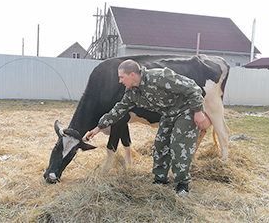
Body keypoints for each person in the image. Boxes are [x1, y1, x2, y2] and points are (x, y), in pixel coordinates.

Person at [86, 59, 210, 197]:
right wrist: (98, 128)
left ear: (132, 75)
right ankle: (160, 180)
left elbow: (192, 87)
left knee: (178, 146)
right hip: (168, 113)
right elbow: (119, 109)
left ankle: (182, 184)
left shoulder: (158, 77)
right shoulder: (132, 92)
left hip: (186, 109)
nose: (120, 81)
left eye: (121, 77)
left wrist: (198, 111)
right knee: (159, 146)